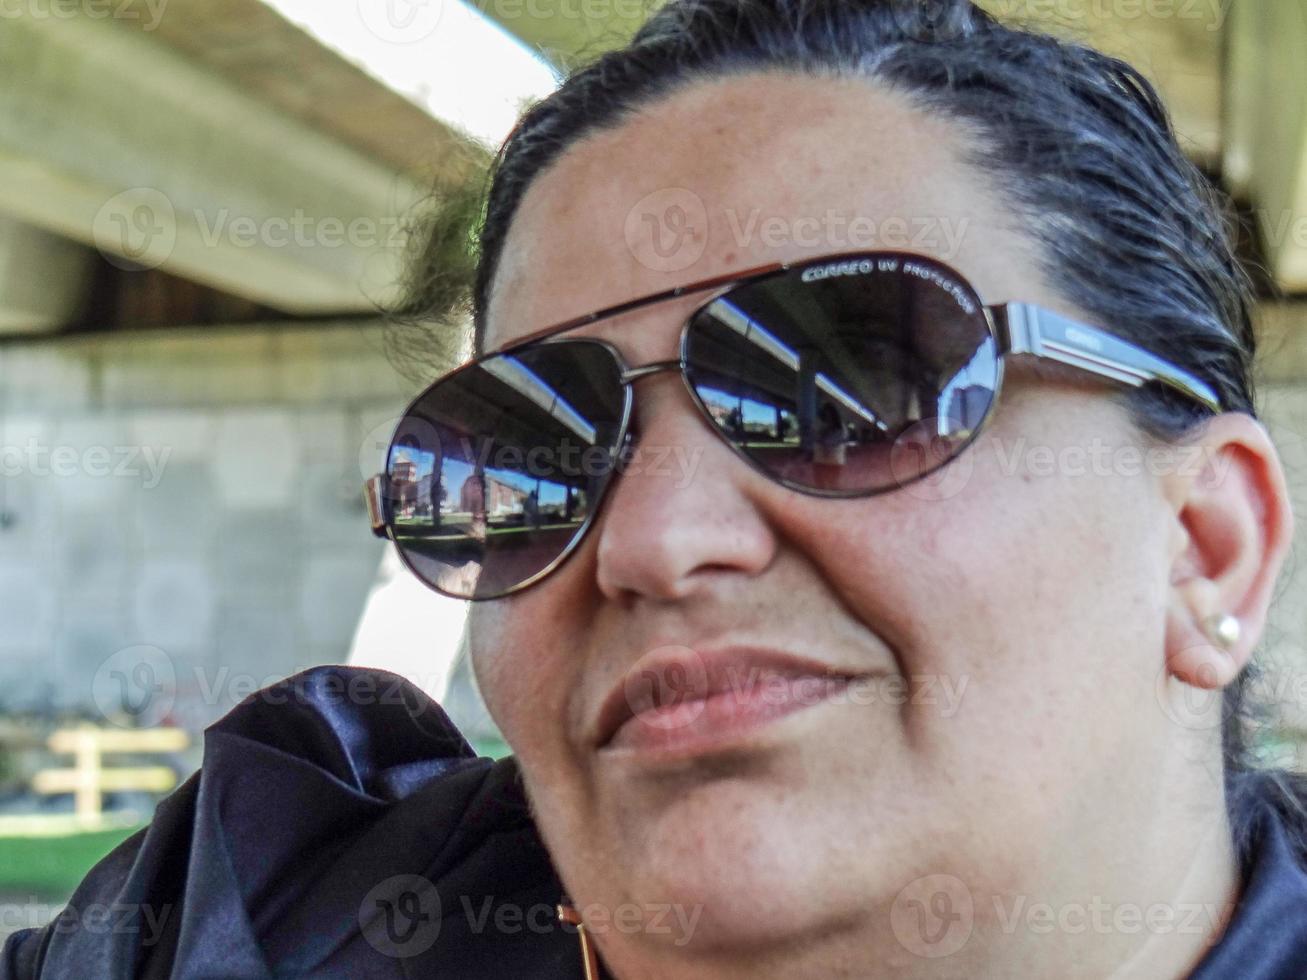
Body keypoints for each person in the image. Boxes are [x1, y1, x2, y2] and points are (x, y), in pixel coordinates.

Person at [8, 1, 1307, 977]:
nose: (649, 539)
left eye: (844, 398)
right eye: (532, 454)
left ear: (1207, 548)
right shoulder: (261, 923)